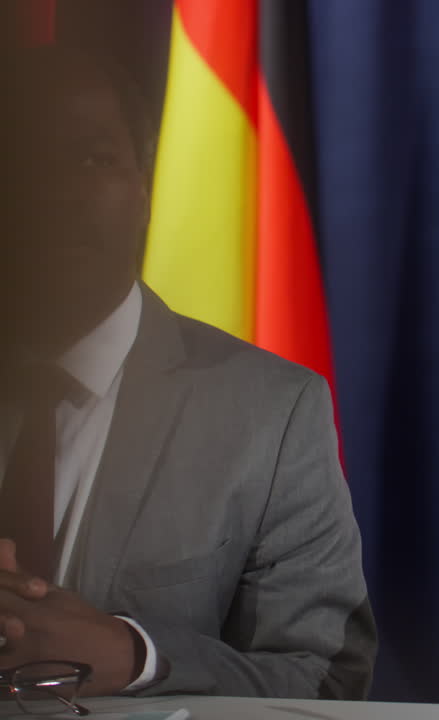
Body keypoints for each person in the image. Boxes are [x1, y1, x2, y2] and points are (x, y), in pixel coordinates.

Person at [0, 45, 376, 699]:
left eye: (93, 158)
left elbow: (329, 680)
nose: (57, 191)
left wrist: (136, 655)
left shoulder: (271, 411)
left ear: (147, 187)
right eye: (25, 161)